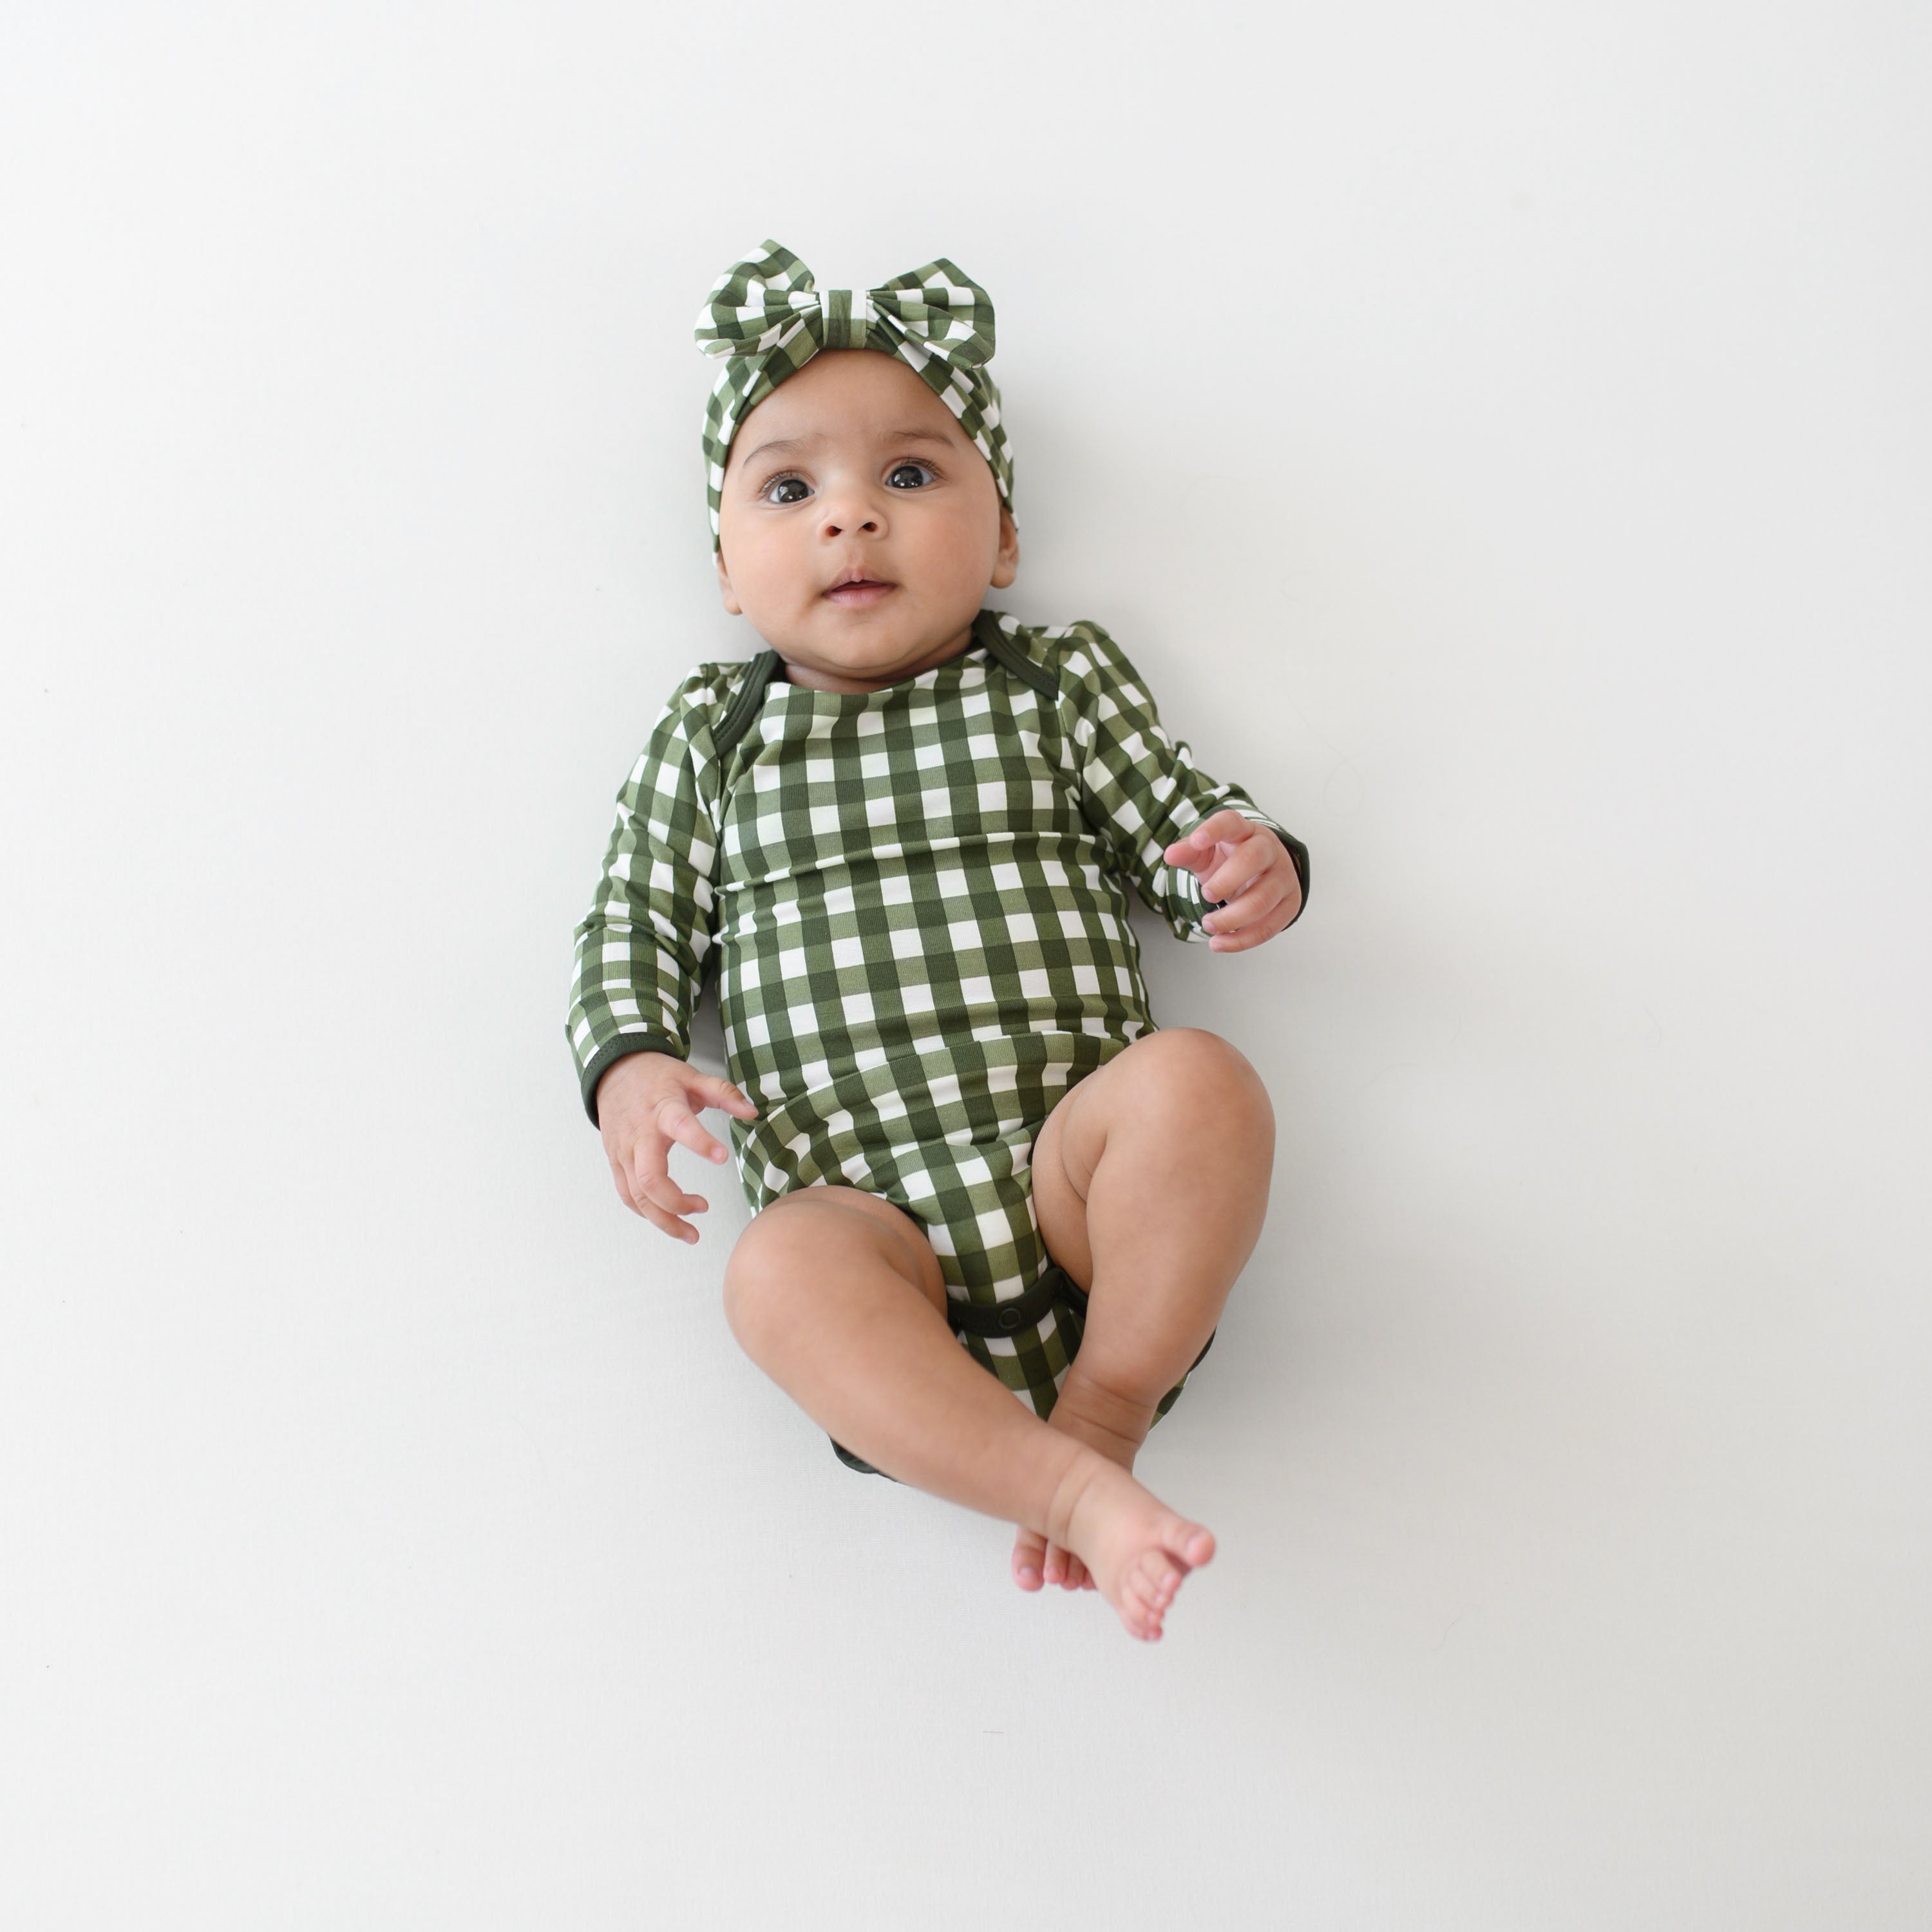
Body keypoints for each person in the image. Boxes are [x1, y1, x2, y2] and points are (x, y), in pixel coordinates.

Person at [566, 242, 1309, 1640]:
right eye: (790, 490)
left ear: (1005, 540)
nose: (852, 520)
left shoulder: (1051, 682)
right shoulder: (711, 738)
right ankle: (1062, 1484)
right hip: (872, 1228)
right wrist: (633, 1064)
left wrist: (1242, 861)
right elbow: (638, 913)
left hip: (1074, 1189)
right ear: (727, 567)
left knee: (1201, 1084)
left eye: (910, 477)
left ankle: (1104, 1407)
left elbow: (1173, 816)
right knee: (774, 1269)